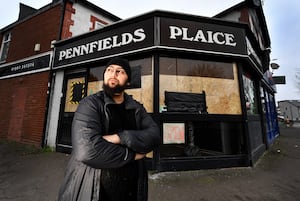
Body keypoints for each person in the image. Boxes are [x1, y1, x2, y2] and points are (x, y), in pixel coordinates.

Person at [58, 57, 160, 201]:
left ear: (128, 81)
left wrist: (120, 137)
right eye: (109, 70)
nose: (113, 74)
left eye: (120, 71)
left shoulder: (136, 108)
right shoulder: (90, 104)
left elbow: (154, 136)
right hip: (94, 189)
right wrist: (132, 155)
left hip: (131, 189)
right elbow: (87, 151)